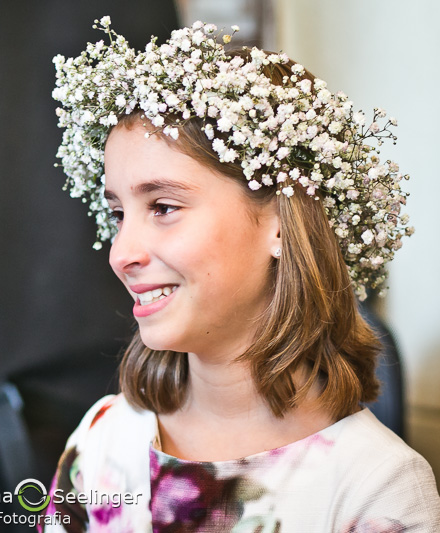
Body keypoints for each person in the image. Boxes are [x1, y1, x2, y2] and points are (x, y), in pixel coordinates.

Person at [42, 18, 440, 532]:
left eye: (162, 206)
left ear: (279, 224)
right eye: (119, 214)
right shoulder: (102, 437)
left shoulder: (376, 489)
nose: (121, 253)